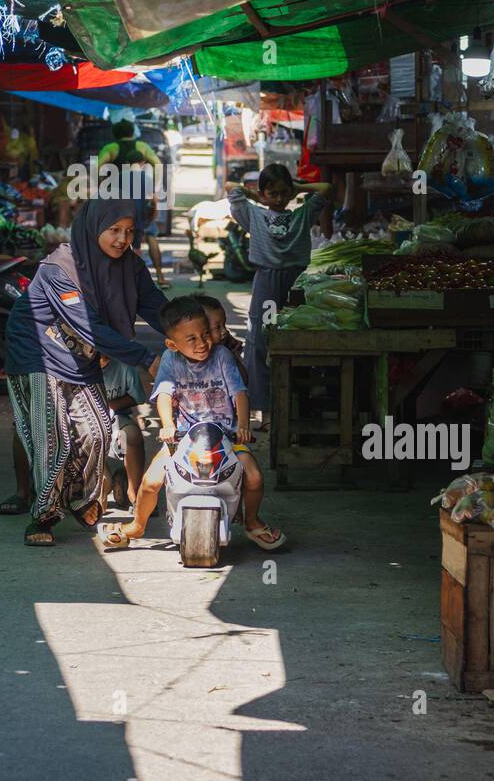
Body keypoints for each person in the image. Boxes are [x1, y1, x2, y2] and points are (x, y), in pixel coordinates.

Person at [4, 198, 167, 546]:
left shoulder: (130, 267)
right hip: (36, 350)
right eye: (114, 231)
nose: (123, 239)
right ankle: (42, 518)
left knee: (97, 432)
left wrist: (198, 330)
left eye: (129, 232)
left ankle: (79, 499)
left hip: (81, 356)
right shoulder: (60, 268)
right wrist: (145, 358)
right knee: (54, 439)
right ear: (93, 228)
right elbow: (89, 328)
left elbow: (159, 308)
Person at [102, 297, 286, 552]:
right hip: (183, 439)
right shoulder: (170, 360)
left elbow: (240, 393)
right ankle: (137, 525)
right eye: (192, 339)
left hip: (227, 438)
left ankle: (252, 521)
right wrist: (167, 426)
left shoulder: (222, 356)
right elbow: (164, 394)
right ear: (172, 344)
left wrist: (243, 425)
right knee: (151, 482)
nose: (202, 343)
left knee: (254, 477)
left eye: (205, 334)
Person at [227, 164, 332, 427]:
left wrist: (298, 189)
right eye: (271, 193)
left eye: (284, 193)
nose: (278, 198)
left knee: (298, 340)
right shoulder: (254, 214)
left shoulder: (303, 214)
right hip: (267, 281)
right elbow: (231, 188)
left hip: (297, 283)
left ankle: (298, 408)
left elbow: (327, 188)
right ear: (262, 194)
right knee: (259, 344)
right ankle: (265, 412)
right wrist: (255, 196)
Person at [97, 119, 169, 287]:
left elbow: (98, 166)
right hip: (143, 206)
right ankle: (160, 276)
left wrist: (102, 187)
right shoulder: (142, 146)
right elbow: (157, 164)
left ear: (116, 133)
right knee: (151, 238)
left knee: (120, 241)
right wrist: (156, 186)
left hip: (121, 206)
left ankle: (123, 279)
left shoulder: (111, 148)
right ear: (132, 132)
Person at [99, 356, 147, 508]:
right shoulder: (78, 365)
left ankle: (136, 494)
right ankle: (102, 481)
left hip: (117, 417)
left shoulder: (124, 363)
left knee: (132, 436)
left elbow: (138, 397)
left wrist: (110, 406)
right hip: (85, 421)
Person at [193, 293, 247, 383]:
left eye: (224, 325)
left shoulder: (226, 351)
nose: (225, 331)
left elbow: (243, 381)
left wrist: (235, 357)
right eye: (217, 327)